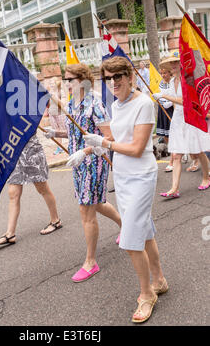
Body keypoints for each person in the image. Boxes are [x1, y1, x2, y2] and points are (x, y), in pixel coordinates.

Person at [84, 56, 166, 324]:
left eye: (118, 76)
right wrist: (90, 147)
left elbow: (137, 148)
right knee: (145, 231)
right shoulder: (117, 105)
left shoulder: (143, 103)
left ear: (130, 76)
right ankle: (160, 280)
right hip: (122, 175)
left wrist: (105, 144)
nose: (113, 82)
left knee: (131, 238)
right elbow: (117, 140)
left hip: (141, 175)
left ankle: (146, 294)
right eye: (108, 78)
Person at [45, 63, 121, 283]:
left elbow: (109, 138)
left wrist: (85, 151)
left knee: (86, 209)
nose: (67, 83)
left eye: (70, 79)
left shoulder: (95, 103)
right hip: (78, 163)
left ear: (84, 79)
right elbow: (77, 133)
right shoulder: (73, 103)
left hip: (94, 161)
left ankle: (91, 262)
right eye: (66, 80)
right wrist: (55, 133)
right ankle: (125, 227)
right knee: (96, 203)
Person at [153, 52, 210, 197]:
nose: (172, 65)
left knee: (198, 151)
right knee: (176, 155)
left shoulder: (188, 80)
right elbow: (174, 102)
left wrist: (164, 95)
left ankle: (206, 177)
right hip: (178, 120)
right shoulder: (172, 82)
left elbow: (187, 102)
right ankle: (174, 189)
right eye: (171, 63)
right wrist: (163, 100)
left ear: (182, 64)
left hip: (190, 118)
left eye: (175, 62)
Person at [0, 133, 62, 245]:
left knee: (42, 189)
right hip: (13, 155)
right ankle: (10, 234)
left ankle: (55, 220)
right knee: (13, 194)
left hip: (31, 151)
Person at [155, 64, 174, 172]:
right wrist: (160, 99)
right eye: (161, 73)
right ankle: (174, 155)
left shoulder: (173, 82)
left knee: (172, 134)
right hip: (163, 110)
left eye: (165, 73)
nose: (163, 75)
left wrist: (170, 102)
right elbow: (161, 94)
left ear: (169, 73)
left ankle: (172, 160)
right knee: (166, 136)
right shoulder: (161, 83)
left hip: (171, 109)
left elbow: (176, 96)